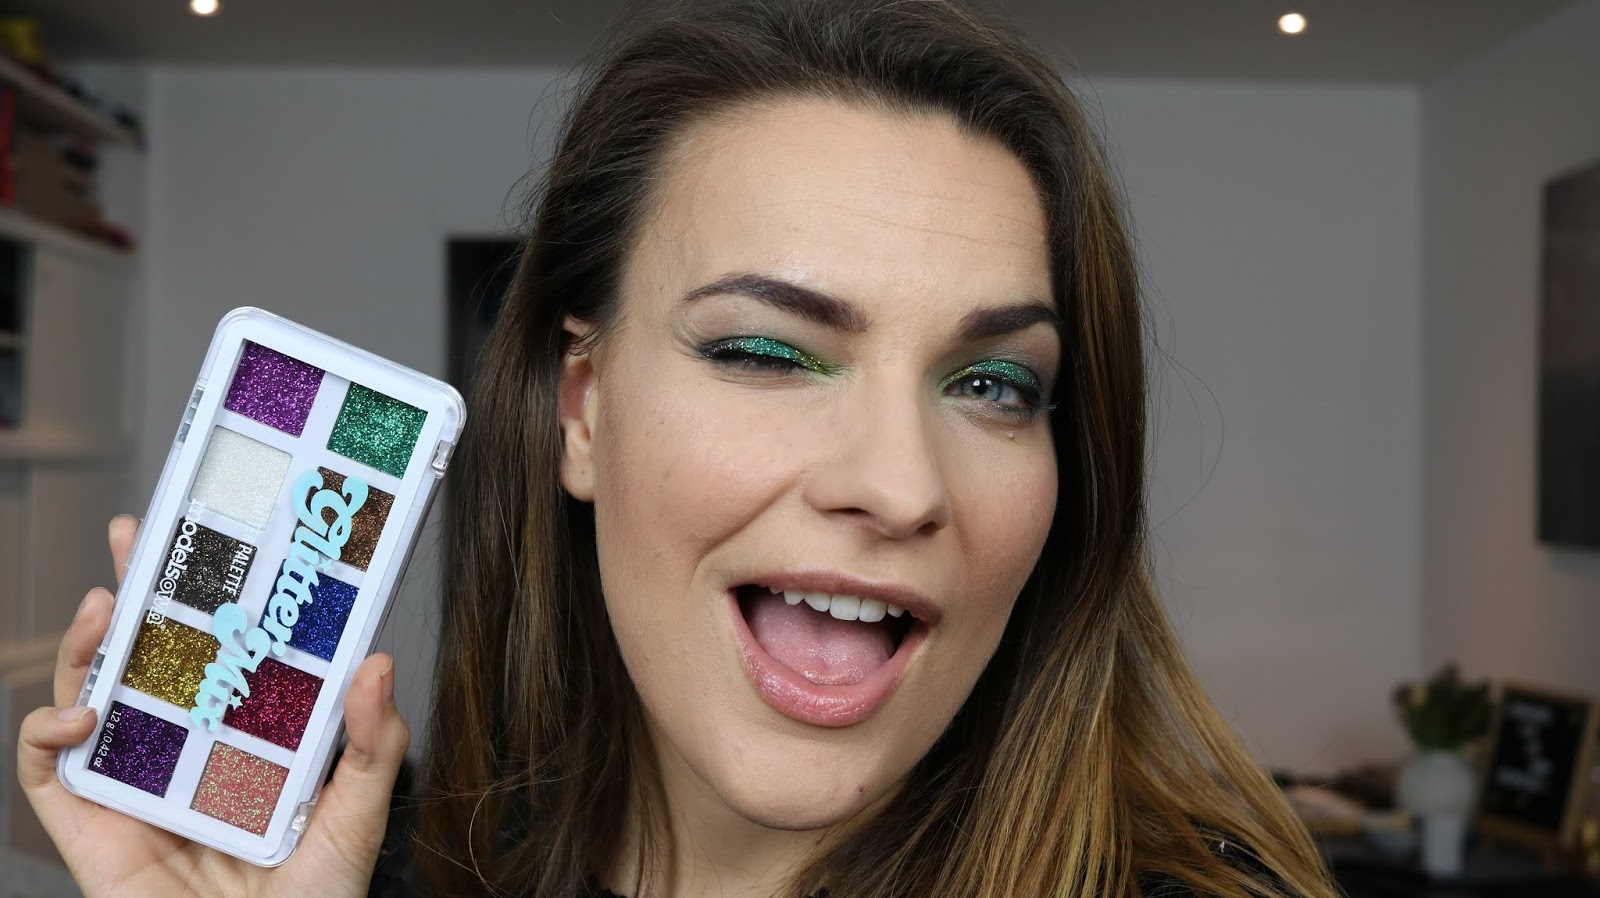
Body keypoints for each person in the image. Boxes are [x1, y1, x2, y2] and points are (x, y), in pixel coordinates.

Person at [20, 1, 1343, 896]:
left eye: (993, 382)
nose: (899, 485)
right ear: (584, 409)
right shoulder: (413, 861)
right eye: (767, 352)